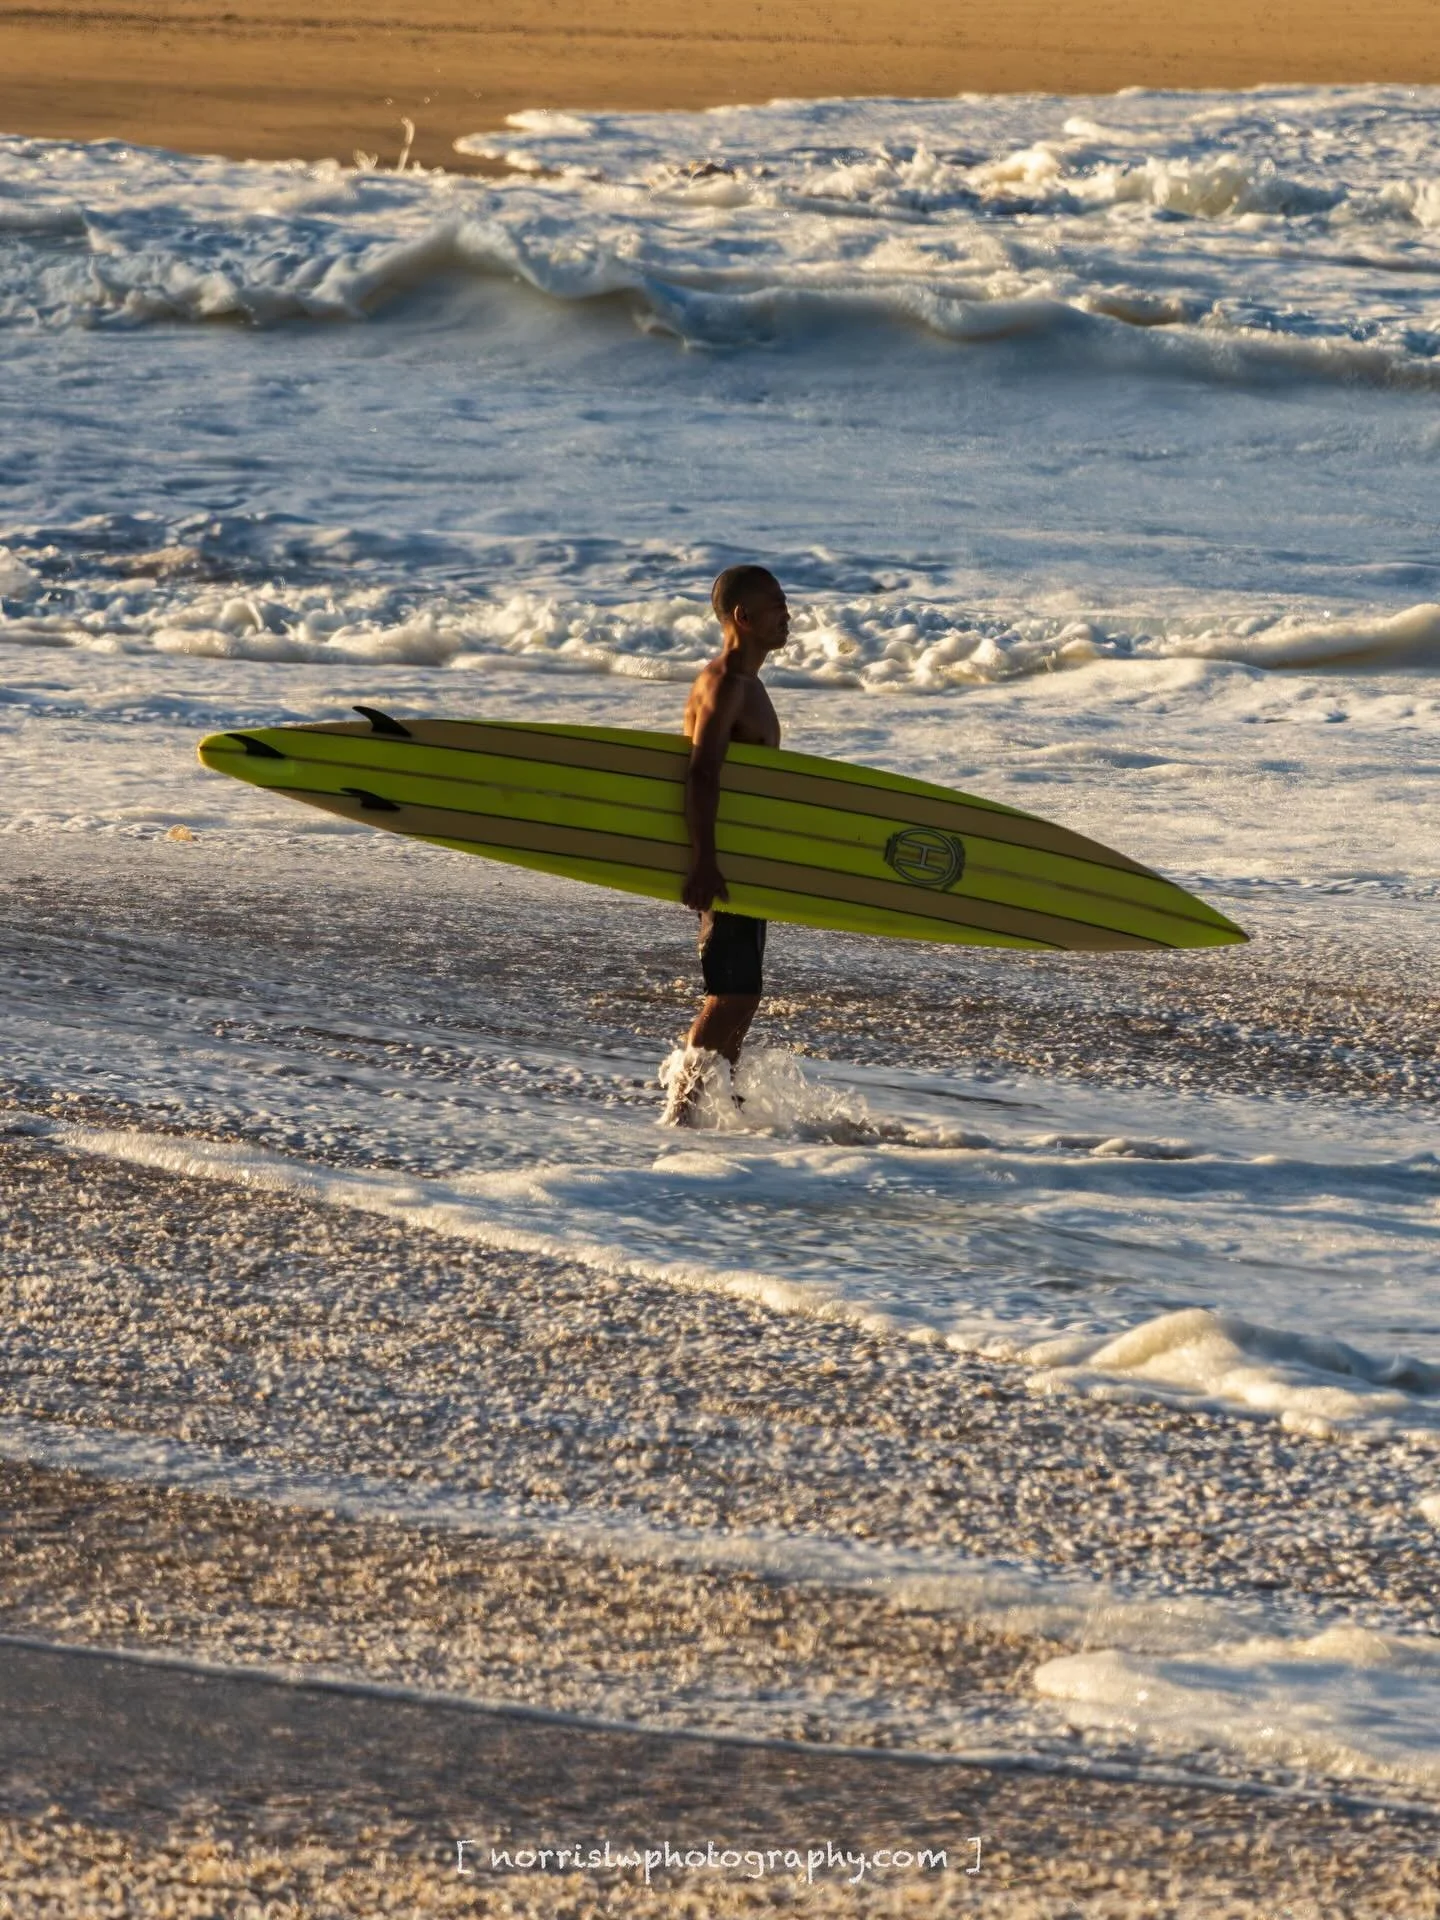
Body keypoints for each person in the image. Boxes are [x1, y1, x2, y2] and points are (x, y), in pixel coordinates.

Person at [663, 564, 790, 1125]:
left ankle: (723, 1104)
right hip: (721, 862)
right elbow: (702, 773)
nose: (788, 615)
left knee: (744, 994)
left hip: (742, 859)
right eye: (778, 605)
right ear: (745, 616)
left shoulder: (750, 684)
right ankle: (680, 1112)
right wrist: (704, 862)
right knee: (729, 993)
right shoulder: (724, 685)